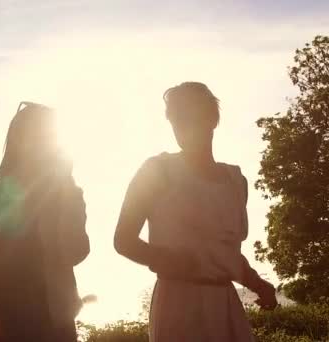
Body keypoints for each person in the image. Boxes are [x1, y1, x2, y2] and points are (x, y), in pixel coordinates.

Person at [114, 82, 278, 341]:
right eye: (176, 119)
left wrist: (259, 285)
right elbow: (123, 240)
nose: (181, 126)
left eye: (189, 116)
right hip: (177, 306)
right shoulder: (156, 170)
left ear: (213, 119)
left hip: (225, 305)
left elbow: (226, 254)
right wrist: (169, 260)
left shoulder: (236, 180)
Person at [0, 102, 89, 342]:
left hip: (52, 328)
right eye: (36, 137)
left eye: (48, 140)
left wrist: (65, 195)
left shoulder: (67, 195)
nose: (41, 147)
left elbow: (77, 252)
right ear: (18, 141)